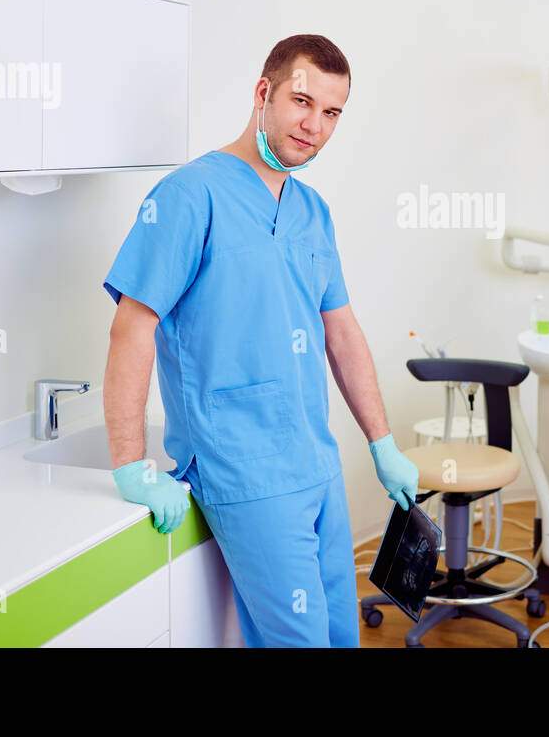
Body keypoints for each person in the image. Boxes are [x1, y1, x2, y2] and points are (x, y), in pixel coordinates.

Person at [101, 33, 419, 648]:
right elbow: (131, 327)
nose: (315, 126)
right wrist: (129, 464)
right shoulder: (189, 196)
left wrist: (381, 442)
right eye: (302, 102)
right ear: (263, 92)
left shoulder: (312, 210)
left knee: (339, 636)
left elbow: (342, 331)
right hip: (244, 471)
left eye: (331, 113)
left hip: (316, 462)